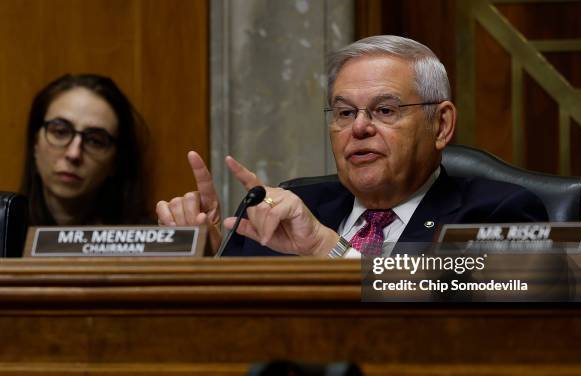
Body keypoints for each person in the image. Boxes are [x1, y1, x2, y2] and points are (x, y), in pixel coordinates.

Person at [156, 35, 548, 257]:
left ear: (441, 124)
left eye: (385, 110)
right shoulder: (287, 206)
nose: (359, 127)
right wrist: (205, 260)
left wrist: (331, 249)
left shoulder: (501, 213)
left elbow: (481, 326)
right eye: (344, 113)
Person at [21, 73, 150, 226]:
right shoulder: (4, 233)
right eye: (60, 132)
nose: (73, 154)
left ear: (115, 161)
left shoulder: (148, 245)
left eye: (95, 141)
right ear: (35, 142)